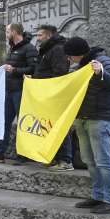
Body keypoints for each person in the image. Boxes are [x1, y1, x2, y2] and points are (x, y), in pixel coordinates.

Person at [64, 37, 110, 214]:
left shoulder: (104, 61)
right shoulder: (81, 67)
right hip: (83, 119)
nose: (69, 60)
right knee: (90, 161)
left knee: (103, 161)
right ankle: (98, 196)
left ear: (78, 54)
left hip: (101, 120)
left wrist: (101, 72)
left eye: (70, 56)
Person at [0, 23, 37, 164]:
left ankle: (24, 155)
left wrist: (14, 70)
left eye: (7, 31)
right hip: (9, 91)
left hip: (21, 91)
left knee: (23, 124)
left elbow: (33, 69)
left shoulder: (29, 48)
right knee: (4, 123)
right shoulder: (12, 48)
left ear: (14, 32)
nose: (6, 33)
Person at [33, 24, 73, 172]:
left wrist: (48, 88)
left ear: (48, 36)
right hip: (46, 94)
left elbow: (60, 73)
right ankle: (55, 158)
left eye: (40, 35)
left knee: (60, 126)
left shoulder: (58, 49)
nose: (37, 38)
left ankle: (66, 160)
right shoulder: (47, 49)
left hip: (54, 95)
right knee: (49, 126)